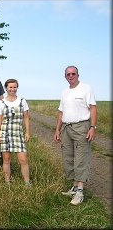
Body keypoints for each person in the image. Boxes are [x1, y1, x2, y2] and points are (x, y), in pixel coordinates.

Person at [54, 66, 97, 206]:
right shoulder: (65, 92)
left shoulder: (86, 88)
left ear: (78, 75)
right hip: (66, 128)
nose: (71, 76)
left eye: (73, 74)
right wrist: (57, 130)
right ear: (65, 76)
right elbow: (61, 112)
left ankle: (80, 191)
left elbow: (93, 108)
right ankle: (73, 187)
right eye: (68, 74)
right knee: (68, 158)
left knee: (81, 158)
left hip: (82, 127)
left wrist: (92, 127)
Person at [0, 79, 31, 186]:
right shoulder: (1, 103)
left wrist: (27, 132)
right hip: (4, 133)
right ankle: (7, 182)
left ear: (17, 88)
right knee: (6, 159)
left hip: (18, 133)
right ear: (6, 88)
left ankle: (27, 183)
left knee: (23, 159)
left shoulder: (22, 101)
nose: (12, 89)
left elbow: (26, 118)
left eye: (14, 87)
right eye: (10, 87)